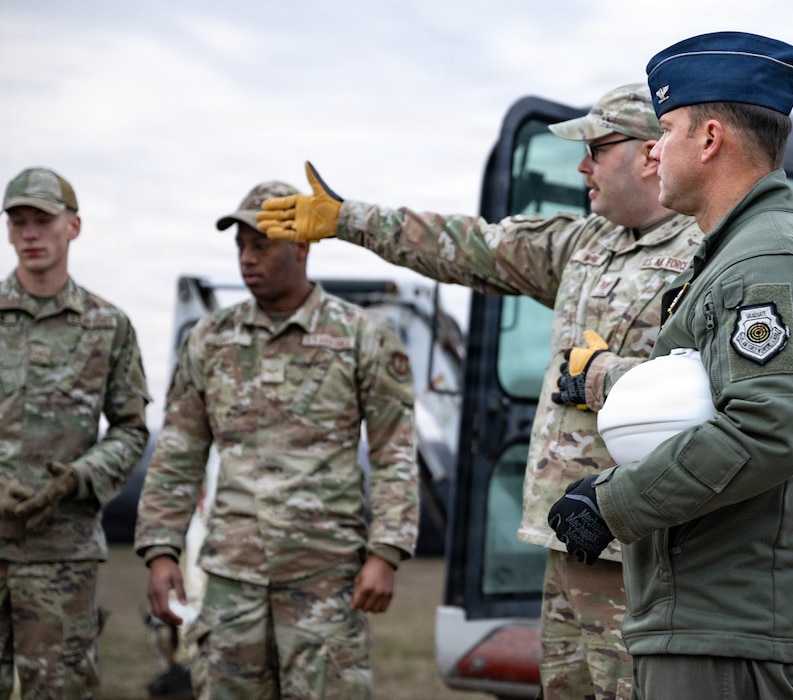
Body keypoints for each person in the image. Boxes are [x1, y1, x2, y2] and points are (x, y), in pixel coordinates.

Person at [257, 84, 702, 699]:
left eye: (597, 149)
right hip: (569, 537)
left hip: (641, 547)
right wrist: (347, 220)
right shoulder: (586, 246)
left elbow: (711, 397)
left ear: (652, 154)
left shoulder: (707, 255)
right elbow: (468, 245)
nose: (583, 166)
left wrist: (606, 375)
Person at [548, 32, 793, 700]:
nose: (653, 152)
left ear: (710, 139)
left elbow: (768, 430)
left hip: (732, 634)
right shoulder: (736, 255)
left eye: (665, 131)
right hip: (714, 623)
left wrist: (615, 503)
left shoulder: (766, 261)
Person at [133, 181, 419, 699]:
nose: (247, 259)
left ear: (302, 246)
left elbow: (394, 450)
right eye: (240, 246)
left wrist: (386, 551)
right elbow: (178, 451)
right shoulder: (209, 339)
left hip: (325, 579)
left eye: (261, 245)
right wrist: (161, 550)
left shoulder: (361, 337)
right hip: (230, 579)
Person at [0, 167, 151, 698]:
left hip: (60, 555)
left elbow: (131, 430)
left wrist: (77, 479)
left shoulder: (108, 326)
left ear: (73, 227)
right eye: (18, 222)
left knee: (61, 691)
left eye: (42, 220)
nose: (29, 234)